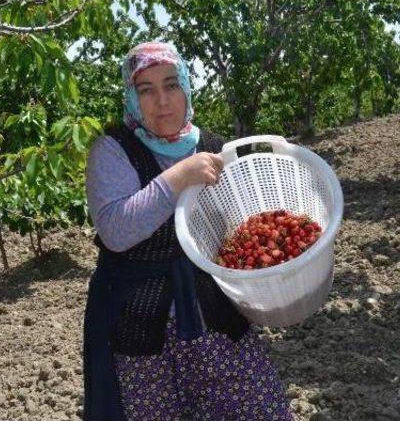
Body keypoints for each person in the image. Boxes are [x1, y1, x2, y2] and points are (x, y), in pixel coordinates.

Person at [83, 41, 295, 421]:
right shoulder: (113, 150)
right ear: (131, 97)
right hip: (141, 329)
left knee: (261, 409)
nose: (162, 101)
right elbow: (116, 230)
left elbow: (244, 229)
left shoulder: (215, 147)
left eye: (171, 84)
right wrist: (178, 177)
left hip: (212, 317)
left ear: (186, 87)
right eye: (146, 90)